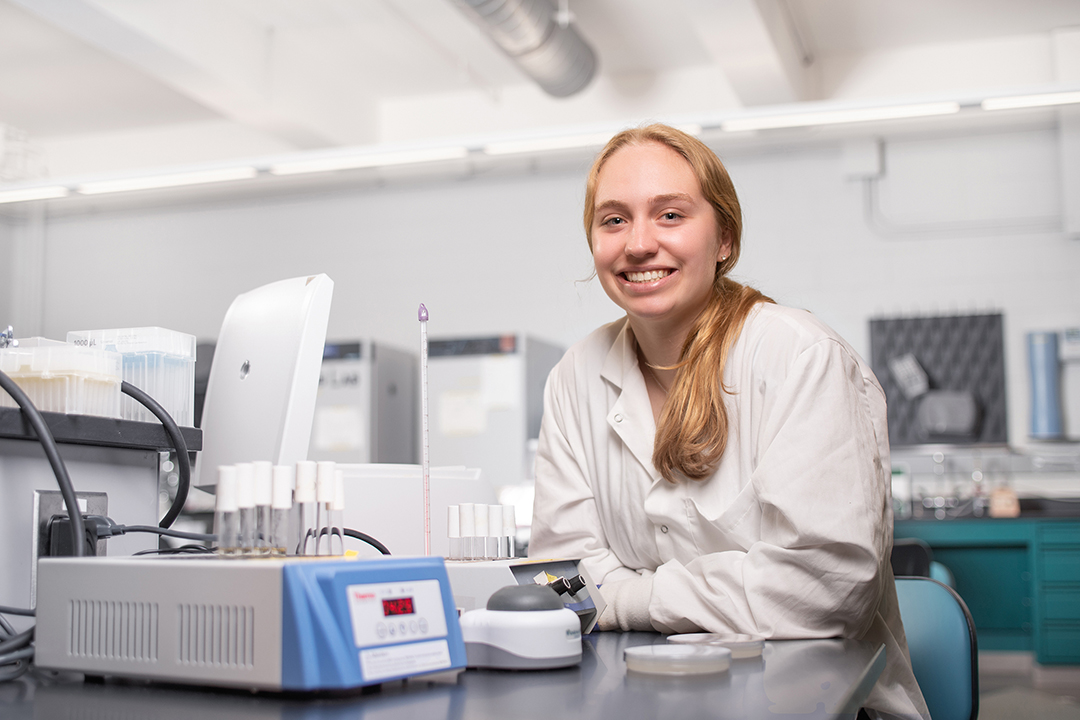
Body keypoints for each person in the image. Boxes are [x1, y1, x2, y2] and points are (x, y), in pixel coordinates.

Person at [528, 124, 928, 719]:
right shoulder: (573, 377)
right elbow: (559, 579)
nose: (638, 243)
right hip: (641, 701)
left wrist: (626, 595)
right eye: (613, 220)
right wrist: (738, 586)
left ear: (725, 239)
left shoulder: (798, 357)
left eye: (669, 215)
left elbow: (822, 587)